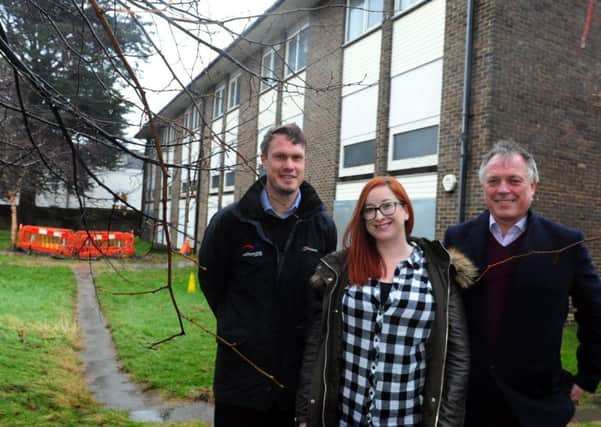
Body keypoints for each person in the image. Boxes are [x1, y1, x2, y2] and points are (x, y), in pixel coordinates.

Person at [444, 140, 601, 427]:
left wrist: (588, 376)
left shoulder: (565, 244)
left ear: (533, 186)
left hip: (536, 405)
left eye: (514, 180)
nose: (503, 189)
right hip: (471, 403)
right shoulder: (457, 239)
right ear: (484, 188)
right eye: (494, 181)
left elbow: (595, 313)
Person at [296, 176, 475, 427]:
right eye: (369, 210)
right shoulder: (342, 270)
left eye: (387, 206)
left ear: (405, 210)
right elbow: (318, 346)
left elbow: (457, 359)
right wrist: (306, 415)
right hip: (346, 419)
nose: (379, 216)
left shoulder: (436, 273)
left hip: (408, 420)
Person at [199, 123, 337, 427]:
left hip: (297, 381)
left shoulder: (323, 227)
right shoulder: (230, 223)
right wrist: (240, 327)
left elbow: (322, 296)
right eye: (281, 156)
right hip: (240, 381)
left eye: (297, 158)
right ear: (263, 160)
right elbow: (212, 283)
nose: (289, 166)